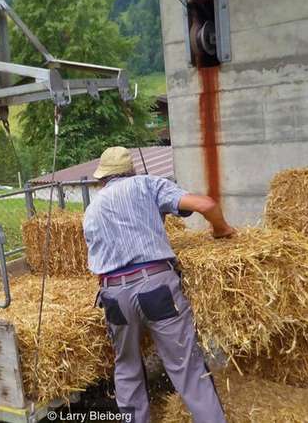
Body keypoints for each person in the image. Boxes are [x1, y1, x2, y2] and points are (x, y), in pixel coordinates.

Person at [83, 146, 235, 423]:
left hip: (113, 294)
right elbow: (206, 205)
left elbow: (97, 266)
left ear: (102, 177)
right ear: (132, 170)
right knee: (186, 369)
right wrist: (221, 229)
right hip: (155, 287)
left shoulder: (92, 209)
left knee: (127, 369)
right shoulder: (146, 185)